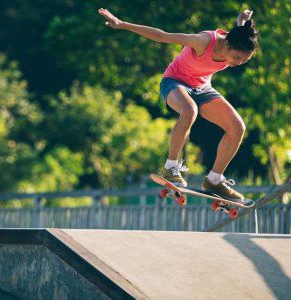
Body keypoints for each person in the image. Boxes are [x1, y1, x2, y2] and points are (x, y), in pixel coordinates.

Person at [98, 8, 259, 202]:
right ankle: (170, 167)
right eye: (236, 58)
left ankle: (214, 179)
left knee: (237, 127)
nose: (238, 63)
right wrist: (123, 24)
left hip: (202, 87)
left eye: (244, 60)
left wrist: (241, 19)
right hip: (174, 82)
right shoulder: (202, 42)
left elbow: (239, 29)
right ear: (226, 44)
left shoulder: (237, 38)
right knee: (190, 110)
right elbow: (161, 36)